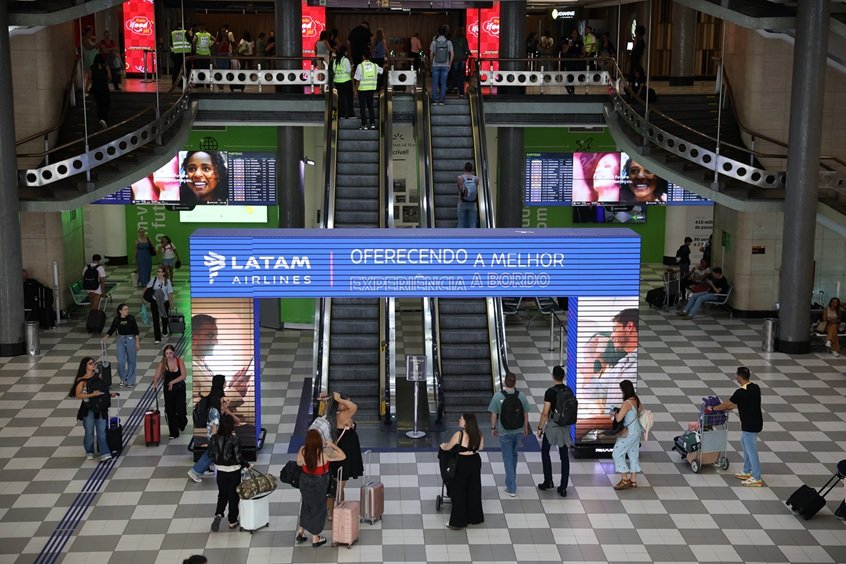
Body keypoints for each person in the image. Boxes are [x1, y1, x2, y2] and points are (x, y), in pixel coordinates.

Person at [191, 314, 251, 427]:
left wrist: (232, 387)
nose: (215, 342)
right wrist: (235, 392)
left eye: (215, 336)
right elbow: (209, 406)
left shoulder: (201, 364)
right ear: (194, 337)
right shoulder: (193, 368)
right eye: (210, 336)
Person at [709, 367, 764, 487]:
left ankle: (756, 477)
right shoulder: (755, 388)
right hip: (755, 422)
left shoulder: (740, 392)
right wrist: (733, 406)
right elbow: (745, 402)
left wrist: (713, 408)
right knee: (744, 443)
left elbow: (727, 404)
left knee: (751, 450)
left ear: (739, 377)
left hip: (749, 425)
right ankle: (746, 470)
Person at [296, 428, 346, 547]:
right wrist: (332, 445)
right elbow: (342, 456)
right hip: (319, 482)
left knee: (306, 504)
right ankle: (315, 537)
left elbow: (298, 463)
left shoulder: (303, 450)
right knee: (318, 508)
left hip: (304, 480)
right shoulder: (324, 453)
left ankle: (301, 531)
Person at [187, 375, 242, 482]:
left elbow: (224, 412)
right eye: (224, 382)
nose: (226, 383)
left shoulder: (214, 398)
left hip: (213, 432)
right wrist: (216, 438)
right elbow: (214, 423)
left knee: (212, 452)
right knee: (212, 452)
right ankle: (195, 472)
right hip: (214, 432)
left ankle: (202, 469)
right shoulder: (215, 406)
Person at [488, 372, 530, 497]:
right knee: (514, 455)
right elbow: (526, 414)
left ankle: (511, 487)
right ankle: (510, 481)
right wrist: (525, 428)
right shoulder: (521, 396)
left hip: (504, 431)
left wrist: (493, 428)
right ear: (515, 382)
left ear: (505, 382)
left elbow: (494, 414)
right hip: (517, 430)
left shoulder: (497, 397)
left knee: (507, 458)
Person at [440, 413, 484, 529]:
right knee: (474, 489)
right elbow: (481, 448)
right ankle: (474, 517)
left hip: (462, 462)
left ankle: (458, 521)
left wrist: (443, 446)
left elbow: (448, 447)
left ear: (466, 422)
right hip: (475, 461)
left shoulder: (459, 435)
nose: (459, 420)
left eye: (461, 419)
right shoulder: (478, 433)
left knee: (459, 490)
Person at [535, 365, 573, 497]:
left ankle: (548, 480)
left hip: (553, 426)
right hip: (565, 427)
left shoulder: (550, 392)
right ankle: (563, 487)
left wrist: (540, 428)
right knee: (564, 457)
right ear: (563, 377)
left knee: (545, 451)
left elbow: (545, 413)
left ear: (553, 376)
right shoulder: (569, 390)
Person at [209, 414, 249, 531]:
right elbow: (238, 457)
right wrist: (247, 465)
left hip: (220, 470)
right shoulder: (234, 439)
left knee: (222, 494)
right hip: (233, 471)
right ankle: (232, 521)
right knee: (233, 496)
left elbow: (211, 454)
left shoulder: (214, 438)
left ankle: (219, 514)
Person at [325, 392, 364, 515]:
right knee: (337, 485)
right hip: (344, 453)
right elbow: (354, 407)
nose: (349, 405)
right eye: (346, 402)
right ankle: (334, 511)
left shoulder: (332, 415)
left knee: (336, 483)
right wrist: (340, 399)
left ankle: (334, 509)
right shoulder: (343, 414)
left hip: (341, 451)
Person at [70, 357, 113, 462]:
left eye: (93, 363)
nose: (93, 365)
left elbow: (102, 390)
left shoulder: (99, 376)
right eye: (90, 363)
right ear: (85, 366)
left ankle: (105, 453)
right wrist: (93, 394)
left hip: (100, 408)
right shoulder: (81, 380)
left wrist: (109, 395)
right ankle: (89, 450)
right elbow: (78, 395)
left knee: (101, 431)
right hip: (88, 409)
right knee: (89, 431)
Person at [610, 379, 642, 490]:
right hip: (637, 431)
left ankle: (624, 479)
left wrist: (614, 413)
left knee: (617, 453)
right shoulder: (636, 399)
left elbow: (618, 419)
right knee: (633, 455)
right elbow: (641, 411)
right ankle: (633, 480)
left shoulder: (627, 403)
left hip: (629, 432)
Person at [153, 344, 188, 440]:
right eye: (167, 353)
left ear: (174, 352)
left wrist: (172, 382)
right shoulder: (163, 363)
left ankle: (182, 421)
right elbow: (157, 375)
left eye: (171, 353)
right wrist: (155, 383)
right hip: (169, 390)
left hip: (179, 388)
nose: (169, 355)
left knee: (180, 409)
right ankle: (173, 432)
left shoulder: (179, 361)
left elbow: (183, 375)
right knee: (170, 410)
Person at [102, 303, 140, 388]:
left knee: (132, 360)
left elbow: (136, 331)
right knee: (121, 361)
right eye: (125, 309)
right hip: (120, 339)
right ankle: (123, 378)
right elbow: (112, 329)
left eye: (127, 309)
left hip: (130, 338)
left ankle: (130, 380)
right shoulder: (117, 319)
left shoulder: (131, 318)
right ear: (120, 311)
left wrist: (137, 343)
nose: (127, 311)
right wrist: (106, 337)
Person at [353, 51, 382, 131]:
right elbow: (382, 71)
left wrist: (355, 90)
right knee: (370, 106)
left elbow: (357, 79)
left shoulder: (360, 66)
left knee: (362, 107)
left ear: (363, 57)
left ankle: (364, 125)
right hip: (371, 88)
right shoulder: (375, 66)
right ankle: (372, 124)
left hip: (362, 89)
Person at [144, 267, 173, 344]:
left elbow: (169, 293)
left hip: (164, 302)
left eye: (159, 272)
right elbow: (146, 288)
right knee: (155, 319)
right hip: (154, 302)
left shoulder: (167, 281)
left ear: (163, 273)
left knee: (164, 317)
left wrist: (171, 303)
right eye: (157, 271)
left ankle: (164, 330)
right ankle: (157, 338)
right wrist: (142, 297)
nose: (158, 273)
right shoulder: (153, 280)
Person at [429, 26, 453, 106]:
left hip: (435, 65)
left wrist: (431, 63)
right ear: (445, 32)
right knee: (443, 83)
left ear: (438, 32)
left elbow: (431, 54)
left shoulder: (434, 42)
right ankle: (442, 100)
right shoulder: (448, 42)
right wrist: (449, 64)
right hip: (445, 65)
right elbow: (452, 54)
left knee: (435, 83)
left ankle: (434, 100)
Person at [90, 53, 111, 129]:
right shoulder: (105, 67)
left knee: (99, 104)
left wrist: (86, 89)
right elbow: (110, 77)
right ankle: (103, 118)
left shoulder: (92, 68)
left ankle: (100, 119)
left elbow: (89, 78)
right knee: (106, 103)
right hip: (104, 87)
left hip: (95, 88)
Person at [333, 46, 354, 120]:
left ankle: (341, 115)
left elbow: (334, 70)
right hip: (346, 81)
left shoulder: (335, 60)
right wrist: (351, 67)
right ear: (345, 52)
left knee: (341, 99)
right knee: (349, 98)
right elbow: (348, 70)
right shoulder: (345, 60)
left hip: (337, 81)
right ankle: (350, 114)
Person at [456, 161, 478, 228]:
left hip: (462, 202)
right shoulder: (476, 179)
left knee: (461, 223)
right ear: (472, 169)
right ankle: (472, 237)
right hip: (472, 203)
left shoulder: (460, 178)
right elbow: (475, 189)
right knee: (472, 224)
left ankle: (460, 237)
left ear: (464, 169)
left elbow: (459, 189)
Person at [448, 27, 469, 96]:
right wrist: (469, 54)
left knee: (454, 73)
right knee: (461, 74)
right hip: (462, 58)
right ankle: (461, 91)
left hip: (455, 58)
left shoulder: (452, 40)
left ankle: (453, 87)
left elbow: (450, 50)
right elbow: (466, 49)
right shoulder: (464, 39)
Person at [81, 26, 98, 92]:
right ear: (87, 32)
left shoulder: (90, 39)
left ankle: (89, 88)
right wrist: (96, 45)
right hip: (90, 59)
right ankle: (86, 89)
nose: (92, 33)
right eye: (91, 31)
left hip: (93, 58)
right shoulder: (84, 39)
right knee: (90, 75)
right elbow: (88, 47)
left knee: (92, 75)